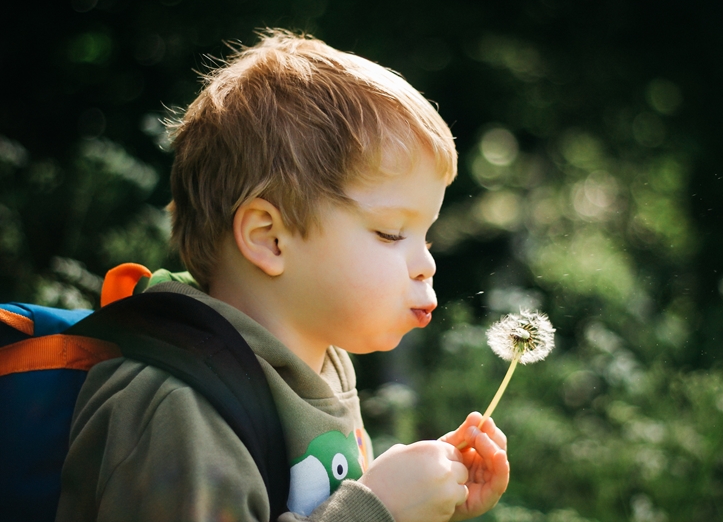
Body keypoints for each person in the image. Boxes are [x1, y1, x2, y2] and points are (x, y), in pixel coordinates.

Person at [56, 29, 510, 522]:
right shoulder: (183, 410)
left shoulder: (323, 360)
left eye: (426, 235)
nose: (427, 263)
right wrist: (378, 510)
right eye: (390, 232)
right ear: (269, 238)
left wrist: (423, 499)